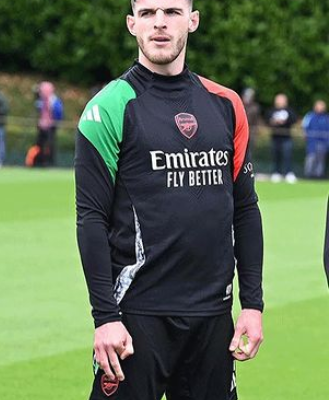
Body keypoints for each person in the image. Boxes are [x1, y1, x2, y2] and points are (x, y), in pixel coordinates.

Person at [75, 1, 264, 399]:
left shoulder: (226, 105)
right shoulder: (109, 107)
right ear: (132, 24)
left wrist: (252, 304)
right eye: (147, 13)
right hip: (137, 316)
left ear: (192, 21)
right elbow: (91, 218)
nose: (159, 22)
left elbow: (245, 209)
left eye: (172, 12)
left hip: (213, 317)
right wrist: (105, 318)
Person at [266, 93, 298, 183]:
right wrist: (273, 121)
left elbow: (294, 119)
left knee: (287, 156)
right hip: (275, 137)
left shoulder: (289, 111)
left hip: (286, 137)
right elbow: (267, 120)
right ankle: (276, 173)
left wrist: (285, 121)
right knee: (275, 155)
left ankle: (288, 173)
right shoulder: (271, 111)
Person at [34, 81, 63, 167]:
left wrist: (54, 122)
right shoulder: (41, 101)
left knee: (50, 144)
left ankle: (50, 162)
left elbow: (58, 113)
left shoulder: (54, 101)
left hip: (51, 126)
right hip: (42, 126)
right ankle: (40, 161)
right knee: (40, 144)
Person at [301, 100, 329, 179]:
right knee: (310, 158)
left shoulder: (326, 118)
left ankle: (318, 176)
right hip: (312, 142)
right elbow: (304, 127)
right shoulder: (309, 116)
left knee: (321, 160)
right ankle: (308, 175)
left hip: (324, 143)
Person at [242, 87, 261, 155]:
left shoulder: (255, 107)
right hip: (241, 131)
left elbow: (256, 121)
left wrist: (255, 134)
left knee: (249, 153)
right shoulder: (240, 105)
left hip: (251, 132)